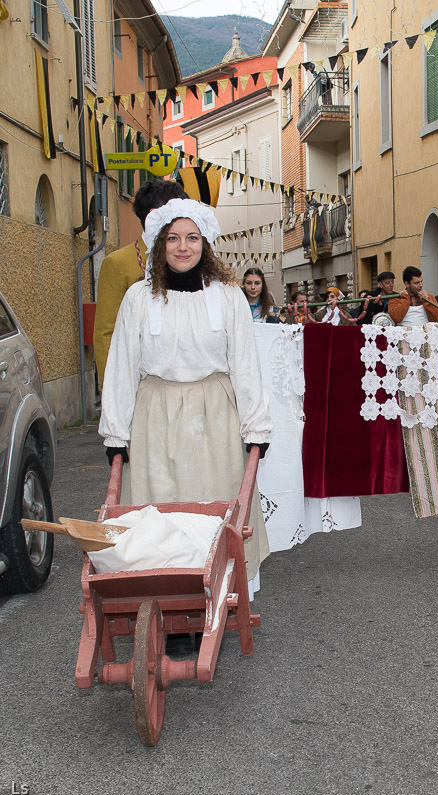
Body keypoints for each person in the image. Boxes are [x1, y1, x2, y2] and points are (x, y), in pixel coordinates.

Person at [98, 198, 272, 595]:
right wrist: (116, 435)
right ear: (159, 244)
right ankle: (168, 595)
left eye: (192, 237)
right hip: (154, 419)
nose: (182, 247)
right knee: (158, 512)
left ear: (205, 243)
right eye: (173, 238)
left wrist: (256, 428)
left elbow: (245, 364)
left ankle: (216, 592)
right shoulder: (138, 299)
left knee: (214, 507)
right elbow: (122, 368)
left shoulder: (229, 296)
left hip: (215, 419)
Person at [94, 180, 188, 386]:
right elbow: (105, 334)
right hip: (140, 382)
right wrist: (114, 389)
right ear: (155, 215)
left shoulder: (189, 257)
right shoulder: (118, 263)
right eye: (179, 212)